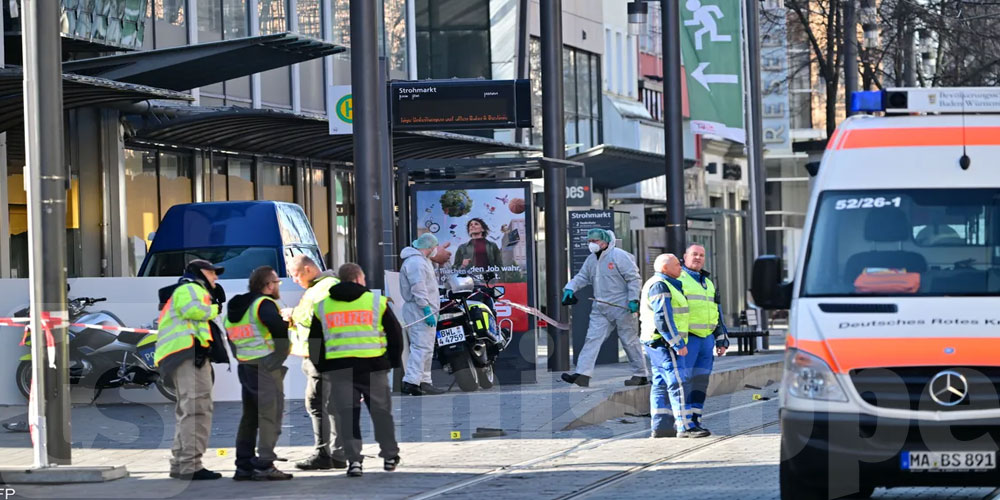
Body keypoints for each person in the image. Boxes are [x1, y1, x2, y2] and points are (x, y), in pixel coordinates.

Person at [309, 263, 403, 477]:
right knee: (381, 413)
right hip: (373, 367)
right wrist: (392, 362)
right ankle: (389, 455)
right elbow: (395, 334)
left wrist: (323, 367)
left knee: (347, 415)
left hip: (339, 369)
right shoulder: (375, 302)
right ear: (360, 279)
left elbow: (314, 342)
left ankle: (354, 462)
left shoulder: (323, 306)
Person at [154, 259, 226, 480]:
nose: (216, 278)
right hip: (187, 356)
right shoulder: (191, 288)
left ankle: (180, 464)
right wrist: (215, 307)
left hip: (184, 355)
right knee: (197, 409)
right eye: (214, 274)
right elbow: (193, 311)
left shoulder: (185, 289)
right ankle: (190, 466)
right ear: (202, 272)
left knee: (188, 410)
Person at [224, 266, 293, 481]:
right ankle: (264, 464)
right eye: (277, 283)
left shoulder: (237, 307)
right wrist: (278, 359)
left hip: (246, 366)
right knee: (270, 415)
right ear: (268, 285)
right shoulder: (264, 304)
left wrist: (241, 358)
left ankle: (243, 465)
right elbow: (279, 330)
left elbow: (231, 337)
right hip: (265, 366)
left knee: (250, 416)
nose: (278, 286)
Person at [560, 228, 650, 387]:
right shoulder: (591, 260)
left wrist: (634, 299)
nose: (591, 244)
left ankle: (640, 374)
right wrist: (570, 288)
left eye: (594, 241)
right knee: (592, 339)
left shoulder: (619, 256)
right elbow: (582, 277)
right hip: (601, 307)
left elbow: (633, 278)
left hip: (622, 306)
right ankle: (583, 374)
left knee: (629, 341)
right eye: (589, 241)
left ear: (605, 241)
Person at [286, 255, 347, 470]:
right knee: (331, 405)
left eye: (296, 275)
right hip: (328, 352)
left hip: (321, 354)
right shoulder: (326, 285)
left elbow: (313, 316)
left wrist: (292, 314)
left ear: (309, 269)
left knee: (316, 404)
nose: (294, 280)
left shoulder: (324, 287)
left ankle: (322, 454)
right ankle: (339, 454)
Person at [639, 254, 708, 439]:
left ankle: (661, 426)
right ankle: (685, 426)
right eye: (677, 265)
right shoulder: (661, 285)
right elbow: (664, 318)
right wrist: (677, 343)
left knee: (660, 383)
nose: (680, 267)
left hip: (653, 341)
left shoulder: (660, 282)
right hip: (664, 342)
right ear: (664, 268)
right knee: (678, 381)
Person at [679, 244, 731, 434]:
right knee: (684, 380)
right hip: (687, 340)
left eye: (701, 255)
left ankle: (696, 419)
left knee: (700, 381)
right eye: (694, 254)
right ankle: (684, 423)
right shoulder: (679, 279)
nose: (698, 258)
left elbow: (717, 313)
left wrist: (721, 339)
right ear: (685, 256)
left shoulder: (707, 282)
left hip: (706, 340)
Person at [399, 233, 447, 396]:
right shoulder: (416, 263)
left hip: (424, 310)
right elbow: (418, 288)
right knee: (421, 347)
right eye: (434, 247)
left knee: (426, 348)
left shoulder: (422, 262)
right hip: (419, 310)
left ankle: (424, 381)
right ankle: (411, 381)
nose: (435, 250)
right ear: (429, 247)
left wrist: (432, 310)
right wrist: (426, 309)